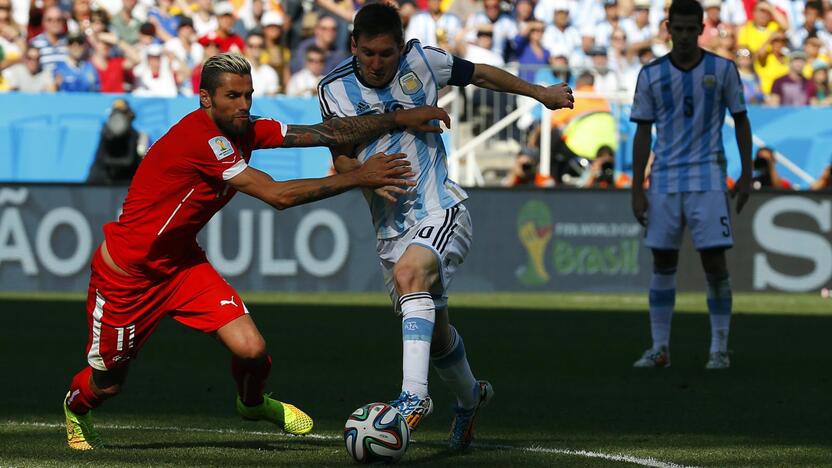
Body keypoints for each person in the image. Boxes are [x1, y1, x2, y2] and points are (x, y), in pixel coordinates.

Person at [62, 51, 451, 451]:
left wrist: (398, 118)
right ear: (205, 99)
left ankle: (251, 403)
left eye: (248, 95)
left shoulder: (244, 129)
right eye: (232, 96)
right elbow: (277, 195)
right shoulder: (201, 139)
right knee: (109, 383)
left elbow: (324, 132)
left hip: (181, 267)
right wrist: (359, 177)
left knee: (253, 350)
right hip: (128, 276)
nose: (243, 105)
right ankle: (76, 408)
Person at [318, 3, 573, 450]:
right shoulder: (333, 88)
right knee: (434, 336)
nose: (377, 64)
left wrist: (539, 92)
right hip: (390, 230)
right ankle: (470, 398)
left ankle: (412, 399)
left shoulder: (424, 61)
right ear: (353, 45)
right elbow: (340, 155)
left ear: (401, 46)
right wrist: (362, 174)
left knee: (409, 274)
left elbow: (481, 74)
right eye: (368, 54)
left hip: (441, 209)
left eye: (386, 54)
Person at [630, 0, 752, 371]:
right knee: (662, 260)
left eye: (690, 29)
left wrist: (747, 173)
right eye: (677, 29)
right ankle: (660, 348)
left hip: (709, 178)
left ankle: (719, 348)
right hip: (665, 179)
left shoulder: (723, 69)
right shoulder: (651, 74)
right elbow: (642, 131)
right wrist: (637, 187)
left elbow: (742, 120)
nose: (683, 36)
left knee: (714, 261)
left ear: (702, 29)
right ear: (668, 29)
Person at [86, 98, 149, 184]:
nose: (118, 119)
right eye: (116, 114)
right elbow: (102, 160)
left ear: (130, 116)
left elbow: (130, 161)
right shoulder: (106, 135)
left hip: (126, 183)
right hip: (103, 183)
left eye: (122, 114)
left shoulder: (135, 136)